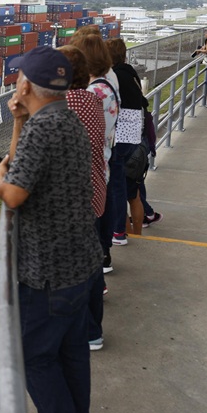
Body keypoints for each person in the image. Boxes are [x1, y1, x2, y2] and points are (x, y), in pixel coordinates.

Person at [0, 46, 102, 413]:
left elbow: (14, 193)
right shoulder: (67, 117)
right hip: (82, 264)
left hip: (49, 274)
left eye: (19, 79)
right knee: (72, 353)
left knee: (35, 357)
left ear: (25, 85)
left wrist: (0, 180)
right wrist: (18, 122)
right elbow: (22, 163)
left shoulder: (44, 128)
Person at [60, 44, 108, 352]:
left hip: (73, 200)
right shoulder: (92, 99)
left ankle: (82, 331)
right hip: (95, 190)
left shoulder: (63, 106)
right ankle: (94, 330)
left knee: (74, 271)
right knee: (90, 264)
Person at [70, 32, 119, 270]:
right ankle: (101, 260)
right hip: (104, 160)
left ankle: (95, 272)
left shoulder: (91, 94)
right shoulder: (108, 83)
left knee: (88, 229)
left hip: (88, 170)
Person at [105, 38, 148, 242]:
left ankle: (119, 232)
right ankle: (133, 234)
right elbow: (142, 101)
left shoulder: (115, 76)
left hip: (120, 139)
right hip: (134, 140)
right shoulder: (130, 73)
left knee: (117, 188)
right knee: (133, 192)